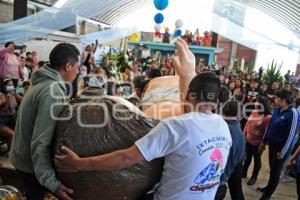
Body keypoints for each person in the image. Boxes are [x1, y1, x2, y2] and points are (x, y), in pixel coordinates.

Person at [54, 39, 232, 200]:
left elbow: (126, 158)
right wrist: (187, 75)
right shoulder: (224, 127)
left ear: (187, 96)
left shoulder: (174, 126)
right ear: (216, 103)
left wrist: (78, 164)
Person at [9, 43, 80, 200]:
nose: (78, 71)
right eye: (77, 66)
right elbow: (41, 142)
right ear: (68, 66)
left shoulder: (42, 82)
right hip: (30, 165)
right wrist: (51, 182)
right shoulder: (52, 91)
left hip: (22, 157)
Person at [258, 89, 299, 200]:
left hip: (281, 149)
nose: (275, 100)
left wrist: (283, 151)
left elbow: (291, 135)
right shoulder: (277, 109)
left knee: (276, 172)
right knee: (272, 168)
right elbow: (270, 126)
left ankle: (267, 196)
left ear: (284, 100)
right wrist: (264, 141)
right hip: (272, 145)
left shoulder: (293, 113)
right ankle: (268, 187)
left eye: (276, 98)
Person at [215, 100, 245, 200]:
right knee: (237, 191)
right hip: (236, 163)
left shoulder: (218, 126)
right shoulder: (236, 129)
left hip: (220, 177)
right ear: (240, 115)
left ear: (222, 111)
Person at [243, 96, 272, 185]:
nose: (255, 104)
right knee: (247, 158)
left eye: (257, 102)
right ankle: (243, 173)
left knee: (256, 160)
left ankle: (254, 176)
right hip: (248, 140)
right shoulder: (254, 111)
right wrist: (244, 134)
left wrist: (263, 144)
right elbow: (248, 123)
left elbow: (267, 132)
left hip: (258, 143)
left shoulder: (268, 117)